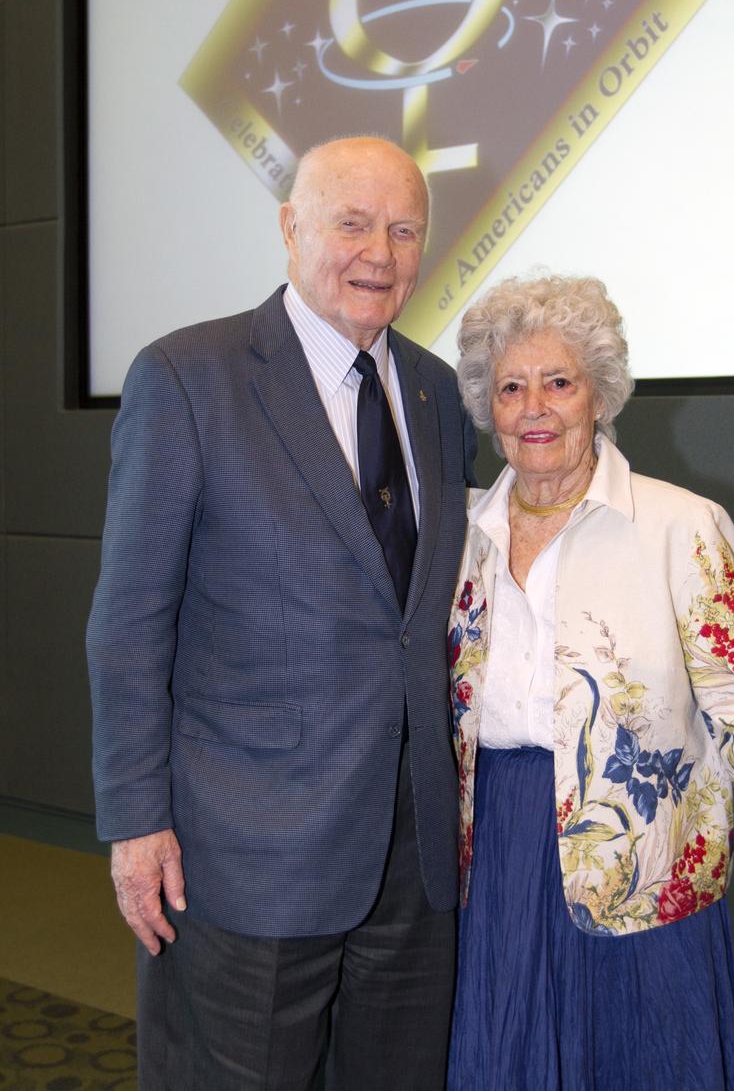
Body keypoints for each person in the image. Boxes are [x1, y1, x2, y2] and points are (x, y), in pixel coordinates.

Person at [87, 136, 477, 1090]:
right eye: (352, 224)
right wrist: (136, 823)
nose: (378, 254)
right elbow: (129, 622)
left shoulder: (437, 392)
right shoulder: (189, 377)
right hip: (246, 853)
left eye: (403, 231)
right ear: (290, 228)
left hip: (413, 859)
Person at [446, 273, 734, 1090]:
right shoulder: (460, 533)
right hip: (496, 862)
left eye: (558, 383)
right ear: (487, 406)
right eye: (511, 388)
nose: (533, 407)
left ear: (599, 395)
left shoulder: (677, 526)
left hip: (645, 871)